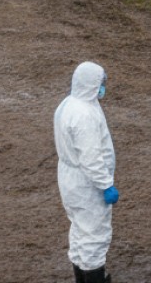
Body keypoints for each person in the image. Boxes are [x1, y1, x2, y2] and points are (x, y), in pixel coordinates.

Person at [54, 61, 117, 283]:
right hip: (86, 183)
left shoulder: (69, 104)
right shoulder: (84, 115)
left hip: (70, 177)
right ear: (92, 84)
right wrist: (105, 184)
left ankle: (81, 276)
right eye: (101, 83)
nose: (103, 87)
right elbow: (91, 157)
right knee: (95, 235)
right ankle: (94, 278)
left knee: (80, 230)